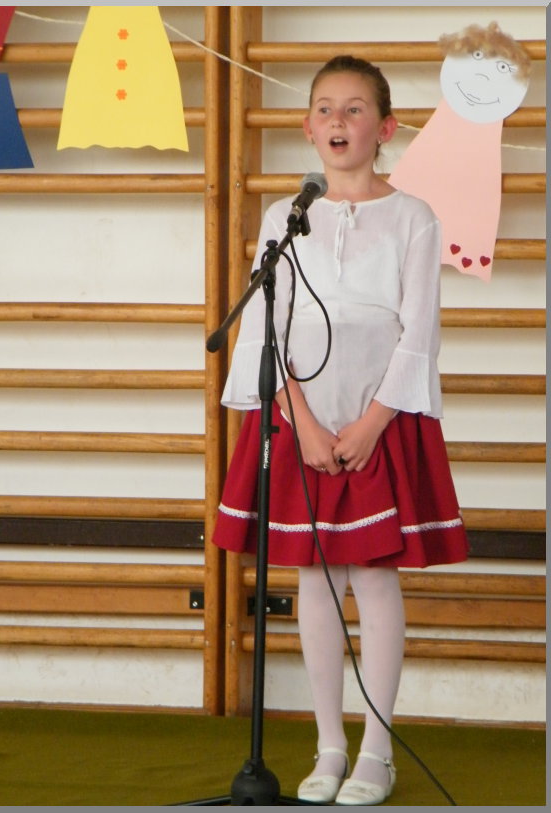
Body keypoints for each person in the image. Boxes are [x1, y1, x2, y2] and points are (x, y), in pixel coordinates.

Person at [212, 55, 469, 805]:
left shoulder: (414, 218)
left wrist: (371, 422)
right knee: (315, 576)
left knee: (374, 576)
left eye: (355, 109)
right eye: (325, 107)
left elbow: (418, 331)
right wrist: (301, 420)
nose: (338, 120)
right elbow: (269, 327)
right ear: (307, 127)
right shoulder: (284, 218)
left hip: (377, 420)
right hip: (304, 421)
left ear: (385, 129)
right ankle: (329, 746)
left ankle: (377, 753)